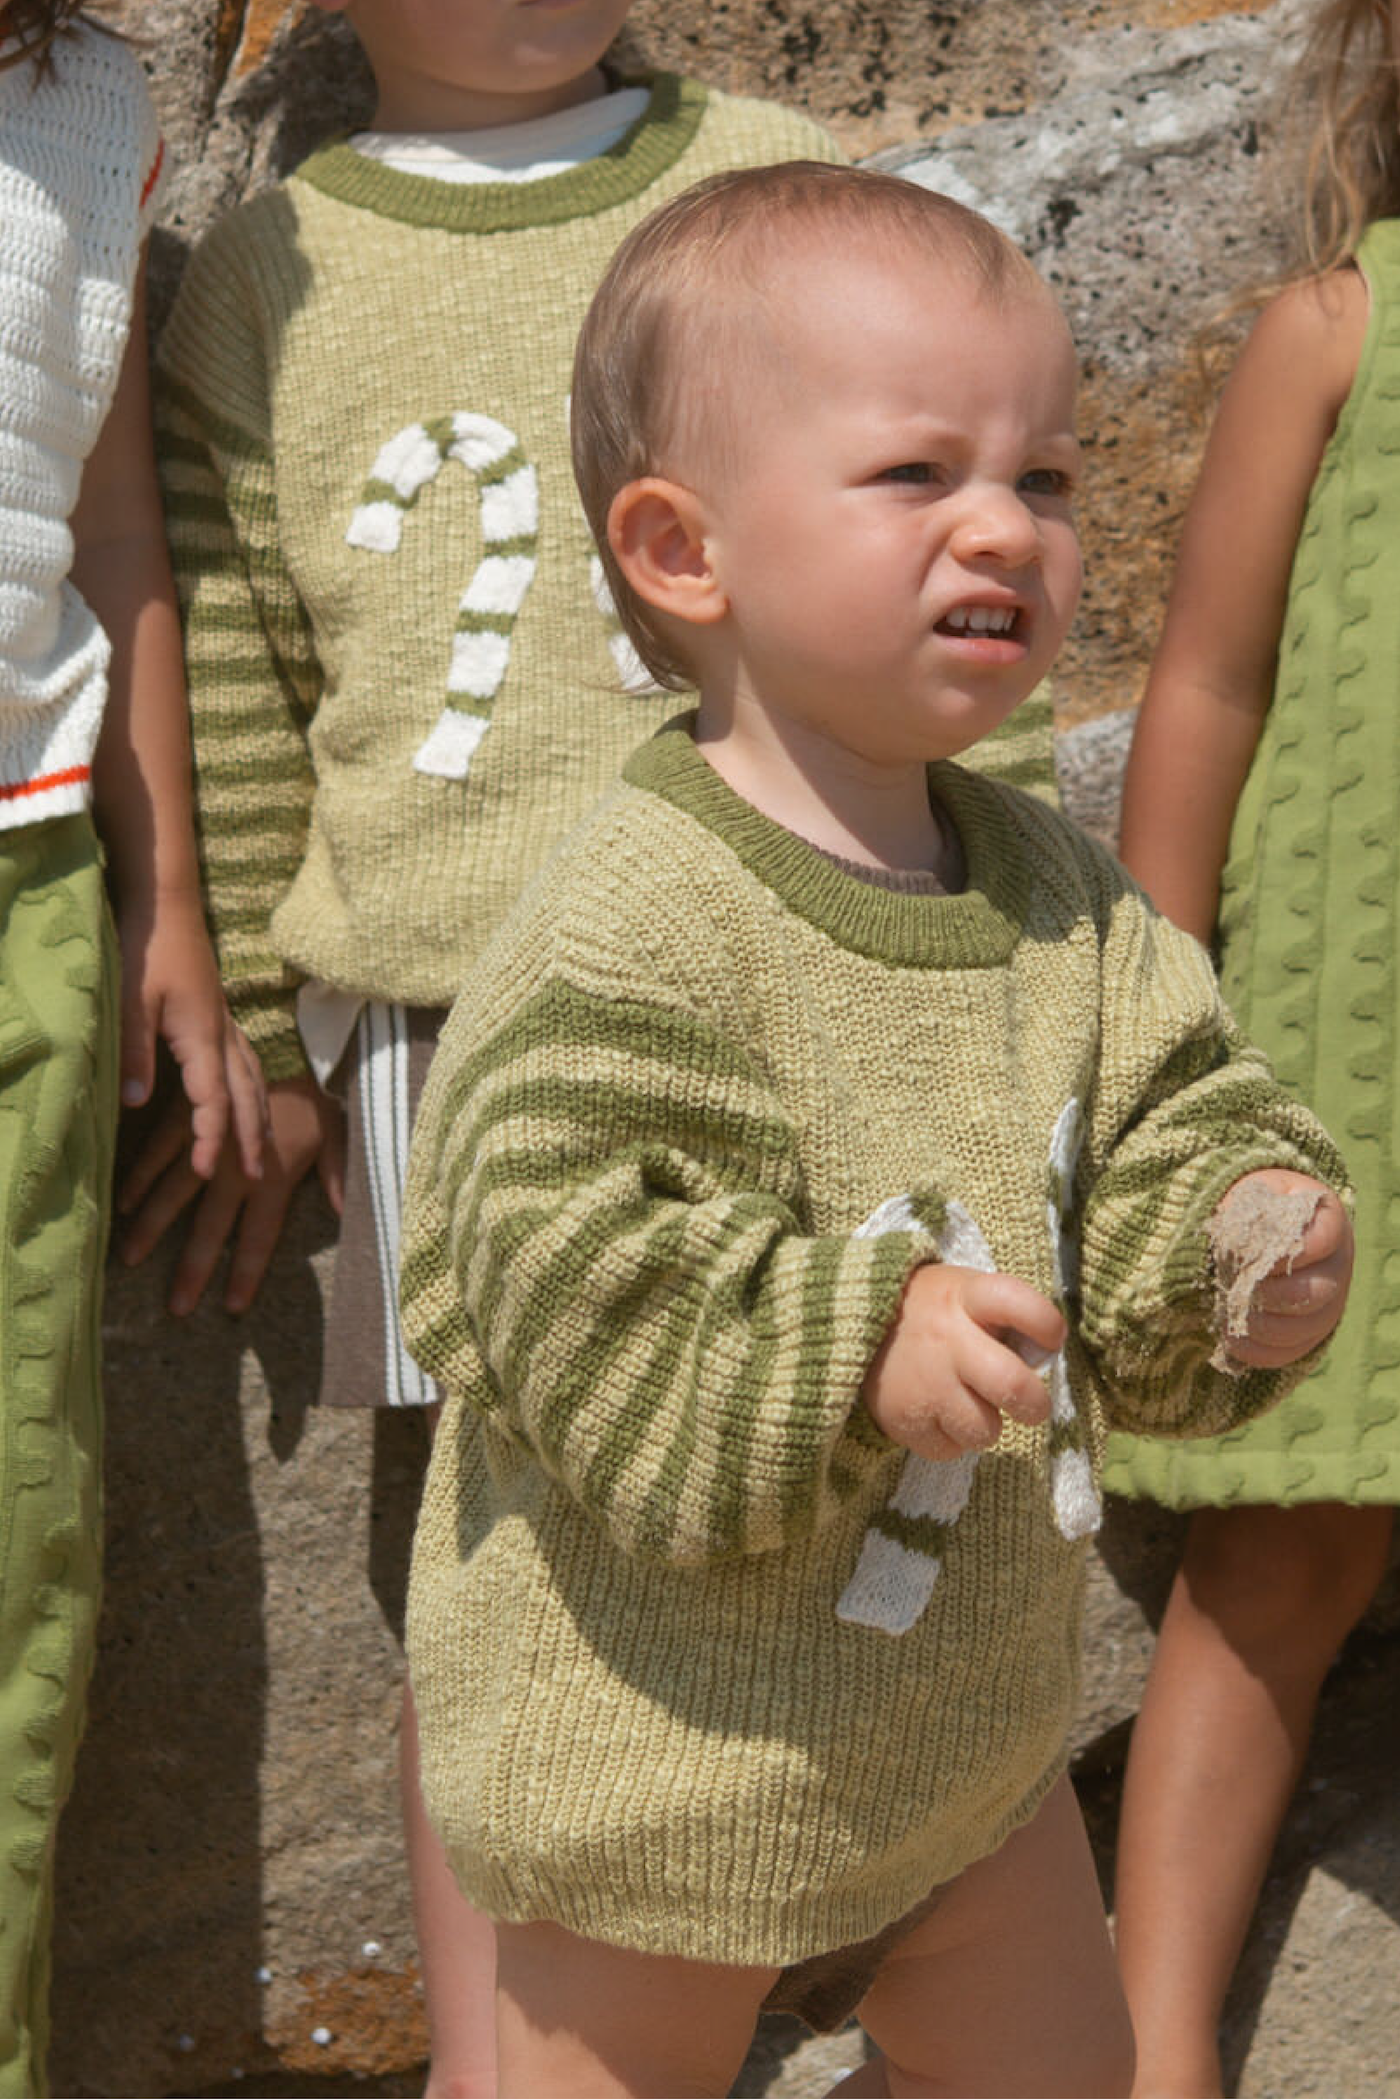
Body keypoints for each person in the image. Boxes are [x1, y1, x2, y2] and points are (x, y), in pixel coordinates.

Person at [397, 160, 1355, 2100]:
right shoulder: (632, 916)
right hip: (664, 1782)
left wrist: (1229, 1241)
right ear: (685, 552)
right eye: (918, 476)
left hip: (963, 1762)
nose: (1005, 523)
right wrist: (859, 1341)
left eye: (1049, 479)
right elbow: (557, 1269)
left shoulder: (1057, 892)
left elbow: (1162, 1120)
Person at [121, 3, 869, 2089]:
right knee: (493, 1556)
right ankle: (498, 2057)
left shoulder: (775, 177)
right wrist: (263, 1018)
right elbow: (248, 660)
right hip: (448, 1021)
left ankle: (764, 1988)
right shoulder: (273, 270)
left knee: (822, 1478)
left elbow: (917, 527)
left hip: (782, 963)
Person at [1102, 2, 1400, 2089]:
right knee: (1282, 1545)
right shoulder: (1339, 329)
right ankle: (1141, 2047)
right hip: (1347, 1059)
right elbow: (1202, 687)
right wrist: (1146, 1026)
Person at [0, 5, 264, 2089]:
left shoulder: (95, 107)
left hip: (23, 914)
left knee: (17, 1556)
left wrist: (167, 905)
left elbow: (110, 536)